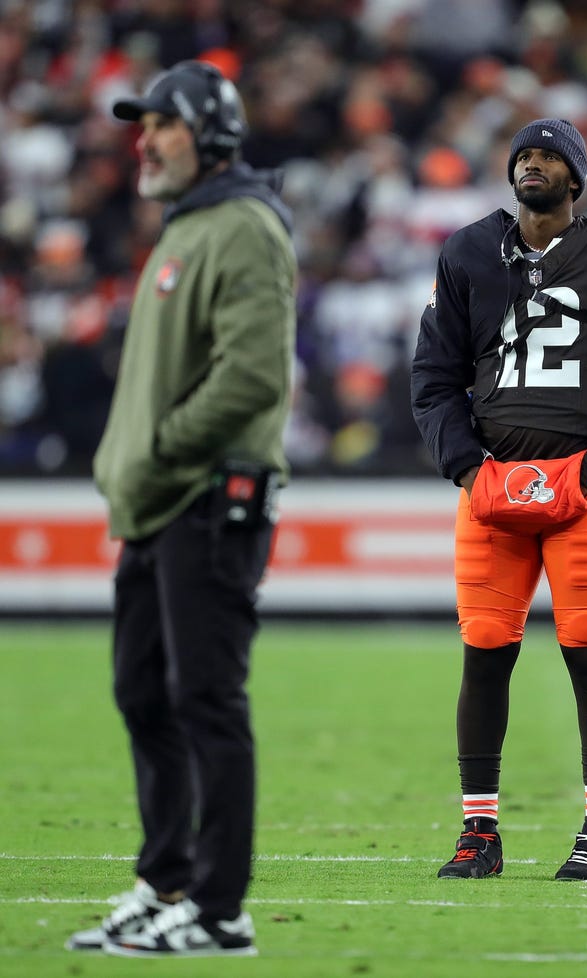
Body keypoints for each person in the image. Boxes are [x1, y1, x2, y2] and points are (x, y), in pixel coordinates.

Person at [65, 61, 296, 956]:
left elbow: (250, 377)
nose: (144, 140)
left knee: (204, 699)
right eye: (142, 125)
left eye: (162, 123)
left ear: (210, 133)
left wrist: (155, 457)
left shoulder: (241, 226)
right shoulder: (191, 227)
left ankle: (218, 907)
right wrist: (131, 466)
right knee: (143, 694)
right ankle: (167, 880)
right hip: (162, 503)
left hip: (208, 499)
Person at [410, 118, 587, 881]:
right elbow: (433, 378)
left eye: (550, 154)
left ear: (577, 175)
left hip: (582, 485)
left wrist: (584, 477)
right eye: (523, 153)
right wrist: (467, 470)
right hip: (492, 488)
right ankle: (478, 834)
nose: (532, 162)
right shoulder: (465, 250)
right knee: (484, 654)